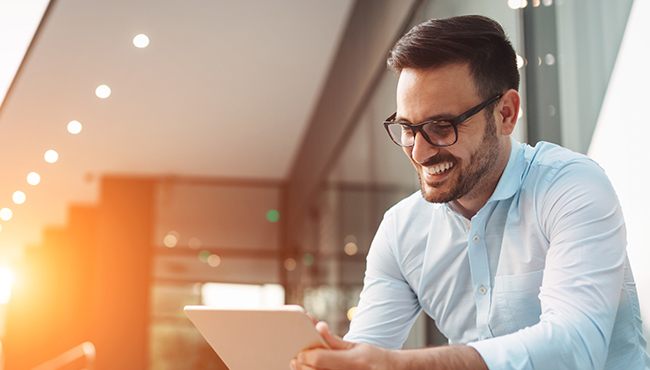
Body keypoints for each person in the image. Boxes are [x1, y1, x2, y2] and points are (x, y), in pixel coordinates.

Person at [291, 15, 649, 370]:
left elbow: (575, 348)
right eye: (408, 129)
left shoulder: (570, 187)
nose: (419, 153)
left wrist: (400, 366)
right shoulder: (402, 231)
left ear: (506, 113)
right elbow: (366, 355)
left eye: (441, 127)